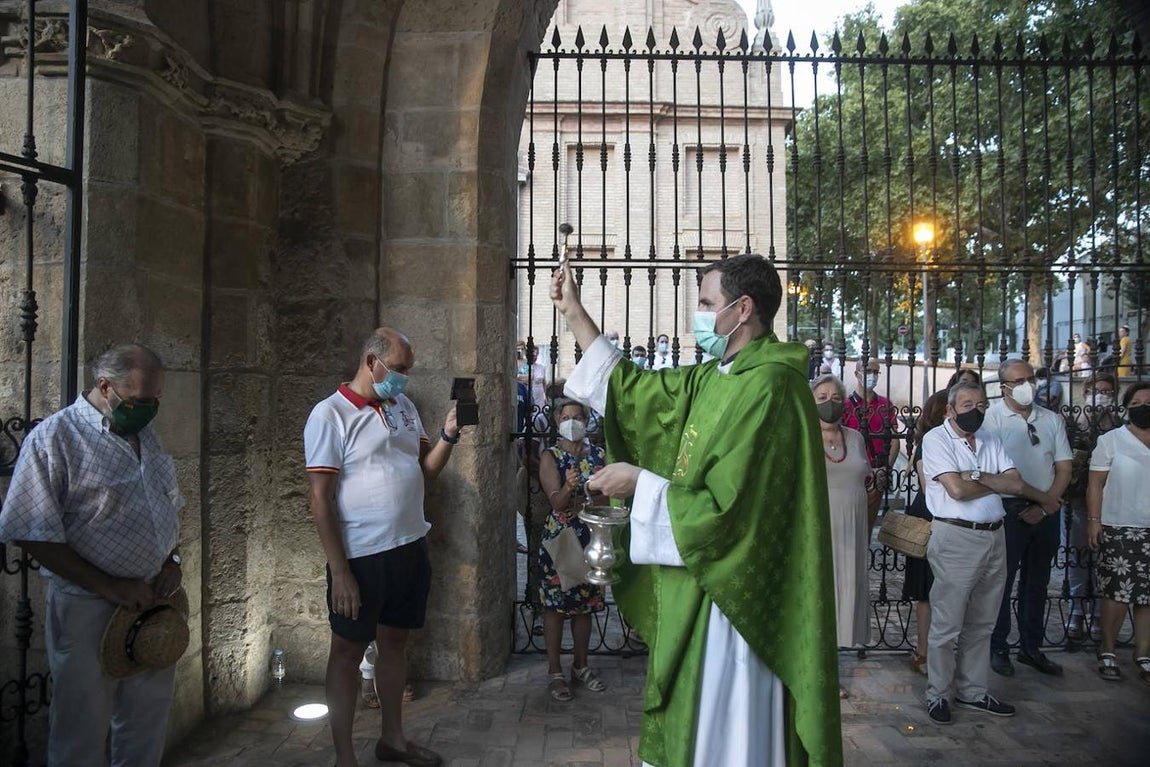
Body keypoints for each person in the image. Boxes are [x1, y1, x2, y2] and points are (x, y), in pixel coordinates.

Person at [553, 253, 841, 766]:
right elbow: (637, 391)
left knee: (726, 733)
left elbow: (734, 513)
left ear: (743, 308)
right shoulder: (717, 375)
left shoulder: (772, 386)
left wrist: (639, 481)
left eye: (707, 303)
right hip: (701, 580)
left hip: (737, 597)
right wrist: (573, 311)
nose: (699, 315)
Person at [0, 344, 185, 766]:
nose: (149, 409)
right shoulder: (55, 439)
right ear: (105, 387)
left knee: (145, 721)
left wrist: (171, 560)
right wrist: (111, 586)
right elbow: (29, 531)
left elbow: (169, 506)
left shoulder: (146, 437)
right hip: (89, 607)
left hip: (154, 602)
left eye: (156, 400)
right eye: (140, 401)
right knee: (81, 726)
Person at [304, 328, 461, 767]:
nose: (404, 378)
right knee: (347, 653)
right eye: (399, 368)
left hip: (410, 546)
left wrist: (448, 435)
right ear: (372, 362)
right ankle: (344, 757)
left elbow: (425, 472)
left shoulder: (403, 406)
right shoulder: (330, 414)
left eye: (407, 369)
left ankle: (392, 739)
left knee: (395, 644)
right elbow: (319, 496)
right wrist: (341, 571)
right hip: (362, 556)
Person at [920, 381, 1059, 725]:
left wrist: (976, 475)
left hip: (995, 536)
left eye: (981, 405)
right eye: (966, 404)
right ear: (951, 409)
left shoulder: (991, 439)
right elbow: (956, 490)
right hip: (956, 537)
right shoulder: (936, 439)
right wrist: (988, 479)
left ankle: (973, 690)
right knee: (948, 623)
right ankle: (938, 694)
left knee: (982, 622)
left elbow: (1014, 482)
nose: (975, 411)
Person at [983, 360, 1072, 677]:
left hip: (1046, 509)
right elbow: (990, 471)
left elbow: (1064, 467)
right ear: (1003, 386)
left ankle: (1031, 648)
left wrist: (1046, 505)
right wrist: (1037, 500)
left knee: (1037, 583)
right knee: (1001, 584)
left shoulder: (1050, 420)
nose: (1027, 385)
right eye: (1019, 380)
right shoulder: (991, 419)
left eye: (1030, 379)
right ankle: (998, 647)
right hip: (1007, 508)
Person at [536, 399, 608, 701]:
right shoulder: (550, 456)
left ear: (587, 420)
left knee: (585, 606)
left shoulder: (599, 456)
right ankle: (555, 672)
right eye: (565, 417)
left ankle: (581, 665)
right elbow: (556, 502)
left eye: (577, 417)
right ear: (556, 421)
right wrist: (568, 487)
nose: (572, 422)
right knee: (555, 607)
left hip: (590, 537)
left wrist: (591, 498)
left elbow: (606, 499)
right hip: (561, 539)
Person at [1087, 381, 1150, 682]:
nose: (1143, 407)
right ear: (1126, 407)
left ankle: (1144, 652)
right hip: (1120, 526)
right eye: (1136, 403)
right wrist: (1094, 520)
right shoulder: (1112, 440)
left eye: (1148, 402)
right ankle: (1108, 649)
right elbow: (1095, 484)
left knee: (1147, 597)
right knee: (1118, 592)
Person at [811, 375, 871, 678]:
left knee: (847, 588)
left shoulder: (856, 438)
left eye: (835, 397)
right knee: (820, 592)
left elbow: (865, 473)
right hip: (820, 527)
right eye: (821, 397)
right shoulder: (803, 438)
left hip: (854, 528)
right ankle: (816, 668)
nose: (829, 403)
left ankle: (833, 662)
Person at [1065, 372, 1122, 640]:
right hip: (1078, 499)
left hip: (1112, 503)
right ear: (1086, 393)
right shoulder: (1074, 421)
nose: (1101, 396)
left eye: (1107, 392)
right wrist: (1087, 418)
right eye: (1096, 390)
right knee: (1078, 556)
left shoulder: (1120, 425)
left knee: (1105, 560)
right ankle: (1077, 610)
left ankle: (1098, 613)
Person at [903, 390, 949, 675]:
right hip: (931, 516)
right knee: (927, 591)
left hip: (956, 518)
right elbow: (928, 485)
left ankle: (944, 650)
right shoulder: (930, 442)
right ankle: (924, 652)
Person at [843, 358, 902, 527]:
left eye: (876, 372)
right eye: (868, 371)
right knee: (849, 525)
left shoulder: (885, 404)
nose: (873, 375)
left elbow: (895, 440)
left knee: (867, 527)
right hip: (852, 477)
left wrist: (885, 468)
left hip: (877, 476)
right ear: (857, 374)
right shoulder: (846, 405)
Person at [517, 340, 548, 410]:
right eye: (518, 349)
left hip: (533, 395)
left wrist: (518, 377)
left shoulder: (528, 364)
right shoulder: (514, 363)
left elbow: (531, 377)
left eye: (522, 349)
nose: (520, 351)